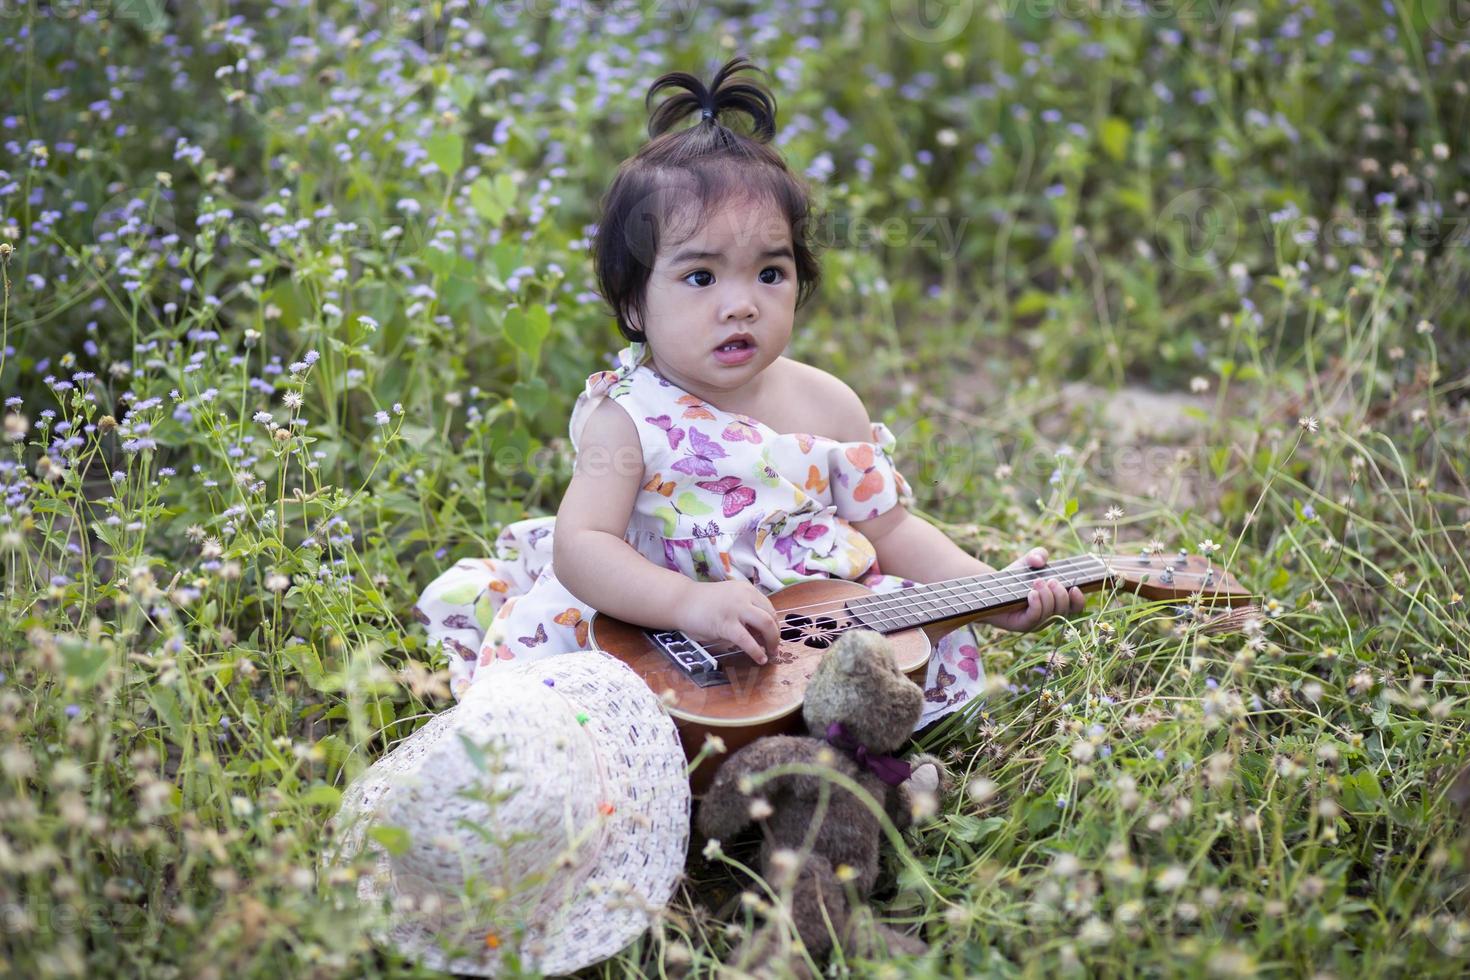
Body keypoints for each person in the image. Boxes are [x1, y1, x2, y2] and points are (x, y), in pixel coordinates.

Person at [414, 55, 1086, 730]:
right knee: (588, 720)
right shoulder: (630, 417)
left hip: (806, 637)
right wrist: (683, 602)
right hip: (663, 639)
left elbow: (894, 531)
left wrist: (990, 591)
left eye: (770, 271)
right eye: (702, 278)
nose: (742, 305)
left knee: (892, 664)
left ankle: (844, 764)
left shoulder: (828, 407)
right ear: (635, 303)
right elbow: (583, 543)